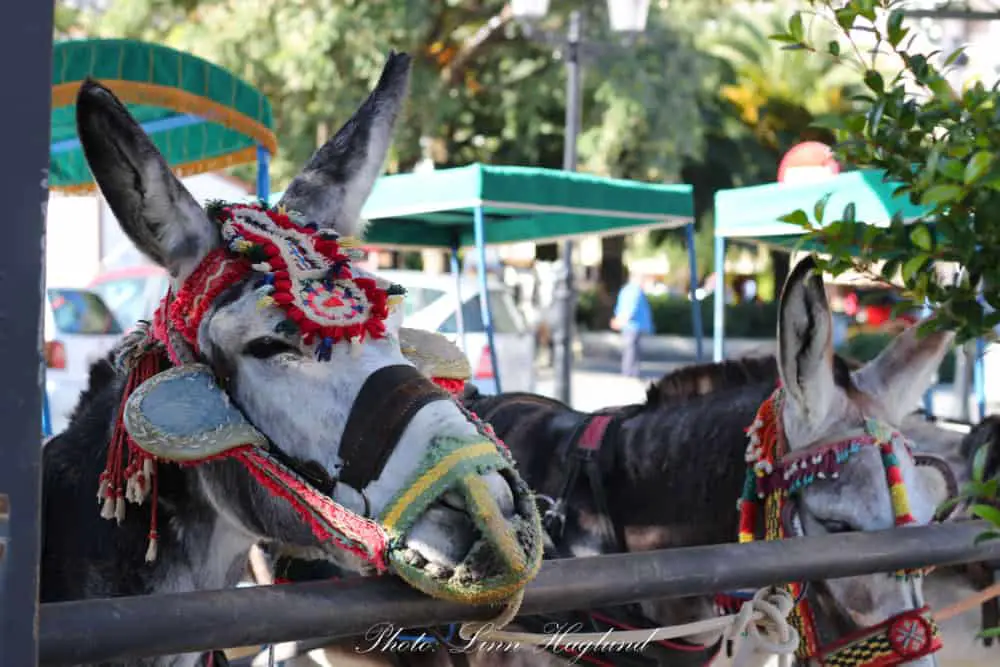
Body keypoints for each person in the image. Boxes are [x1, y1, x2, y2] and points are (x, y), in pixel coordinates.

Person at [610, 272, 654, 378]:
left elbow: (621, 308)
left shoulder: (626, 290)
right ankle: (630, 373)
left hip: (630, 325)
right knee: (632, 350)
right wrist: (622, 320)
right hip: (633, 325)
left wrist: (619, 320)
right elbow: (630, 308)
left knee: (631, 350)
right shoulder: (635, 291)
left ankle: (630, 372)